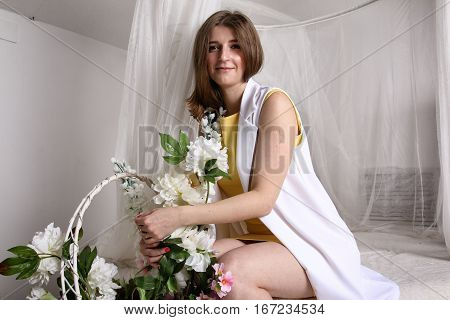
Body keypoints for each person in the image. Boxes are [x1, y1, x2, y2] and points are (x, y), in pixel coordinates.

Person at [135, 10, 400, 300]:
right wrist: (164, 241)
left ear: (250, 51)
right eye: (214, 47)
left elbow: (263, 200)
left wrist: (176, 217)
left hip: (306, 244)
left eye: (235, 45)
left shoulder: (274, 104)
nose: (224, 55)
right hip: (254, 240)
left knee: (231, 272)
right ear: (204, 58)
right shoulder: (209, 123)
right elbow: (204, 201)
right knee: (182, 270)